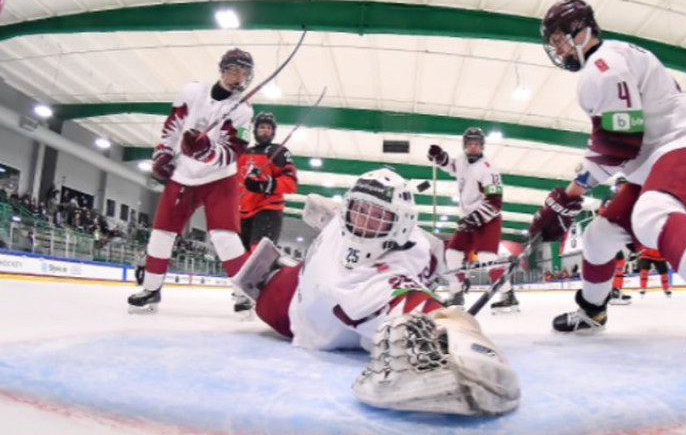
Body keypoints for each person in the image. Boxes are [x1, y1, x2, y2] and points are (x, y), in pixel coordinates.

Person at [530, 0, 686, 371]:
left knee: (653, 212)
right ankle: (593, 311)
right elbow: (618, 144)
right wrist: (569, 197)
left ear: (582, 31)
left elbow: (618, 142)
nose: (558, 49)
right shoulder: (607, 62)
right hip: (651, 162)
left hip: (685, 144)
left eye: (560, 39)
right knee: (599, 236)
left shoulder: (603, 67)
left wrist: (567, 197)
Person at [233, 168, 520, 415]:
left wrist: (459, 337)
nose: (363, 223)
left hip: (291, 309)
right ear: (347, 208)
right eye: (359, 210)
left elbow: (425, 314)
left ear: (401, 223)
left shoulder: (365, 287)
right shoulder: (399, 237)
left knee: (267, 298)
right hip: (301, 285)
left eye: (376, 217)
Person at [127, 48, 255, 314]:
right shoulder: (191, 92)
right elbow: (173, 127)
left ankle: (243, 293)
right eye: (233, 71)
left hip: (219, 179)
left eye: (244, 73)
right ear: (222, 71)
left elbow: (233, 152)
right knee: (161, 234)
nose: (238, 78)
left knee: (225, 237)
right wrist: (162, 152)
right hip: (183, 175)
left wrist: (207, 150)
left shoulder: (243, 112)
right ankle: (151, 289)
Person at [427, 127, 518, 312]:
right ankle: (456, 294)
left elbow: (495, 203)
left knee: (486, 257)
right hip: (468, 218)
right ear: (465, 145)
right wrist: (440, 157)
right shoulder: (462, 160)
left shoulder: (488, 169)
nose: (473, 147)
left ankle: (508, 294)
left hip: (487, 218)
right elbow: (451, 167)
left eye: (476, 144)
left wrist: (474, 219)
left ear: (482, 145)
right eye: (470, 144)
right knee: (452, 254)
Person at [237, 112, 298, 250]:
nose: (265, 130)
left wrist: (266, 184)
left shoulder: (279, 152)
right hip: (243, 211)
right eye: (262, 127)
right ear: (255, 130)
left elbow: (291, 183)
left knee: (257, 252)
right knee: (240, 257)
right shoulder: (244, 153)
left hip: (268, 209)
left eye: (269, 128)